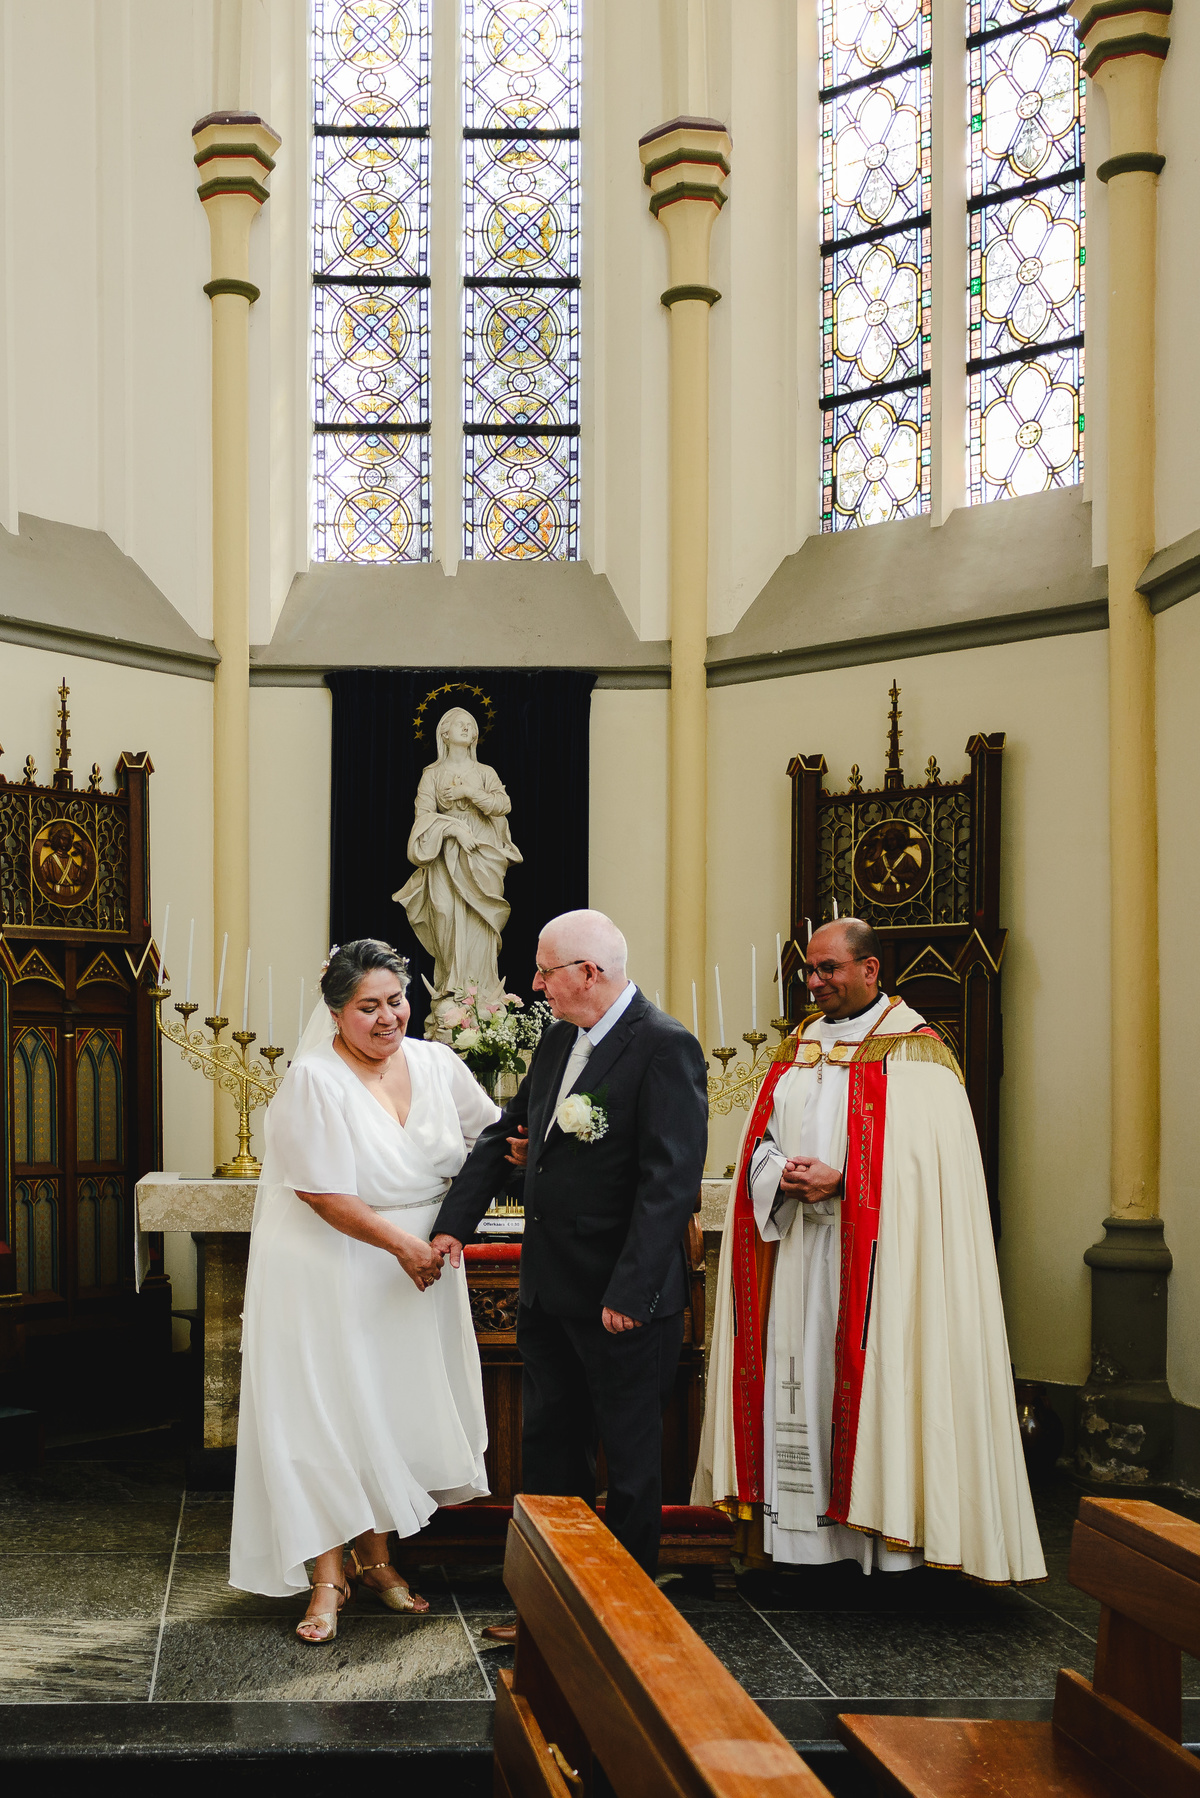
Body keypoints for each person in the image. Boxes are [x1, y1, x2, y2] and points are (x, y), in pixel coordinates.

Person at [694, 918, 1045, 1586]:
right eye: (810, 969)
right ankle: (799, 1544)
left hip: (881, 1271)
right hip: (796, 1256)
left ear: (870, 970)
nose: (815, 982)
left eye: (829, 969)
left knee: (874, 1380)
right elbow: (757, 1141)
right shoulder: (796, 1047)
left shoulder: (916, 1053)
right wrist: (776, 1176)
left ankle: (880, 1546)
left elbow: (928, 1179)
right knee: (797, 1386)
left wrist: (846, 1183)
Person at [229, 937, 502, 1642]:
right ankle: (327, 1574)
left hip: (417, 1272)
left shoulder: (439, 1064)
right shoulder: (314, 1080)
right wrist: (406, 1245)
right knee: (326, 1411)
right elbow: (321, 1193)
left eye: (396, 1001)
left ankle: (378, 1559)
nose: (388, 1018)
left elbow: (496, 1141)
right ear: (334, 1011)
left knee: (386, 1410)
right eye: (368, 1007)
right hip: (331, 1265)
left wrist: (453, 1226)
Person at [432, 909, 708, 1589]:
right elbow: (508, 1135)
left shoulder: (665, 1045)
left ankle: (627, 1612)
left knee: (632, 1459)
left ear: (589, 973)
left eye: (545, 970)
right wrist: (452, 1226)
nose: (535, 983)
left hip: (621, 1297)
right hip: (549, 1290)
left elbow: (668, 1185)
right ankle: (554, 1603)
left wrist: (632, 1291)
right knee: (551, 1452)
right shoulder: (560, 1040)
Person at [393, 706, 523, 1032]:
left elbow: (502, 805)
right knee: (448, 923)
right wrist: (452, 829)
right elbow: (422, 818)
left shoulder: (485, 772)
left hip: (482, 858)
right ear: (444, 734)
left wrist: (468, 792)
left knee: (480, 928)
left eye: (471, 724)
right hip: (445, 860)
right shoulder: (432, 775)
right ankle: (451, 1003)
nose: (466, 728)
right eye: (458, 724)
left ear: (476, 735)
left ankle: (483, 1007)